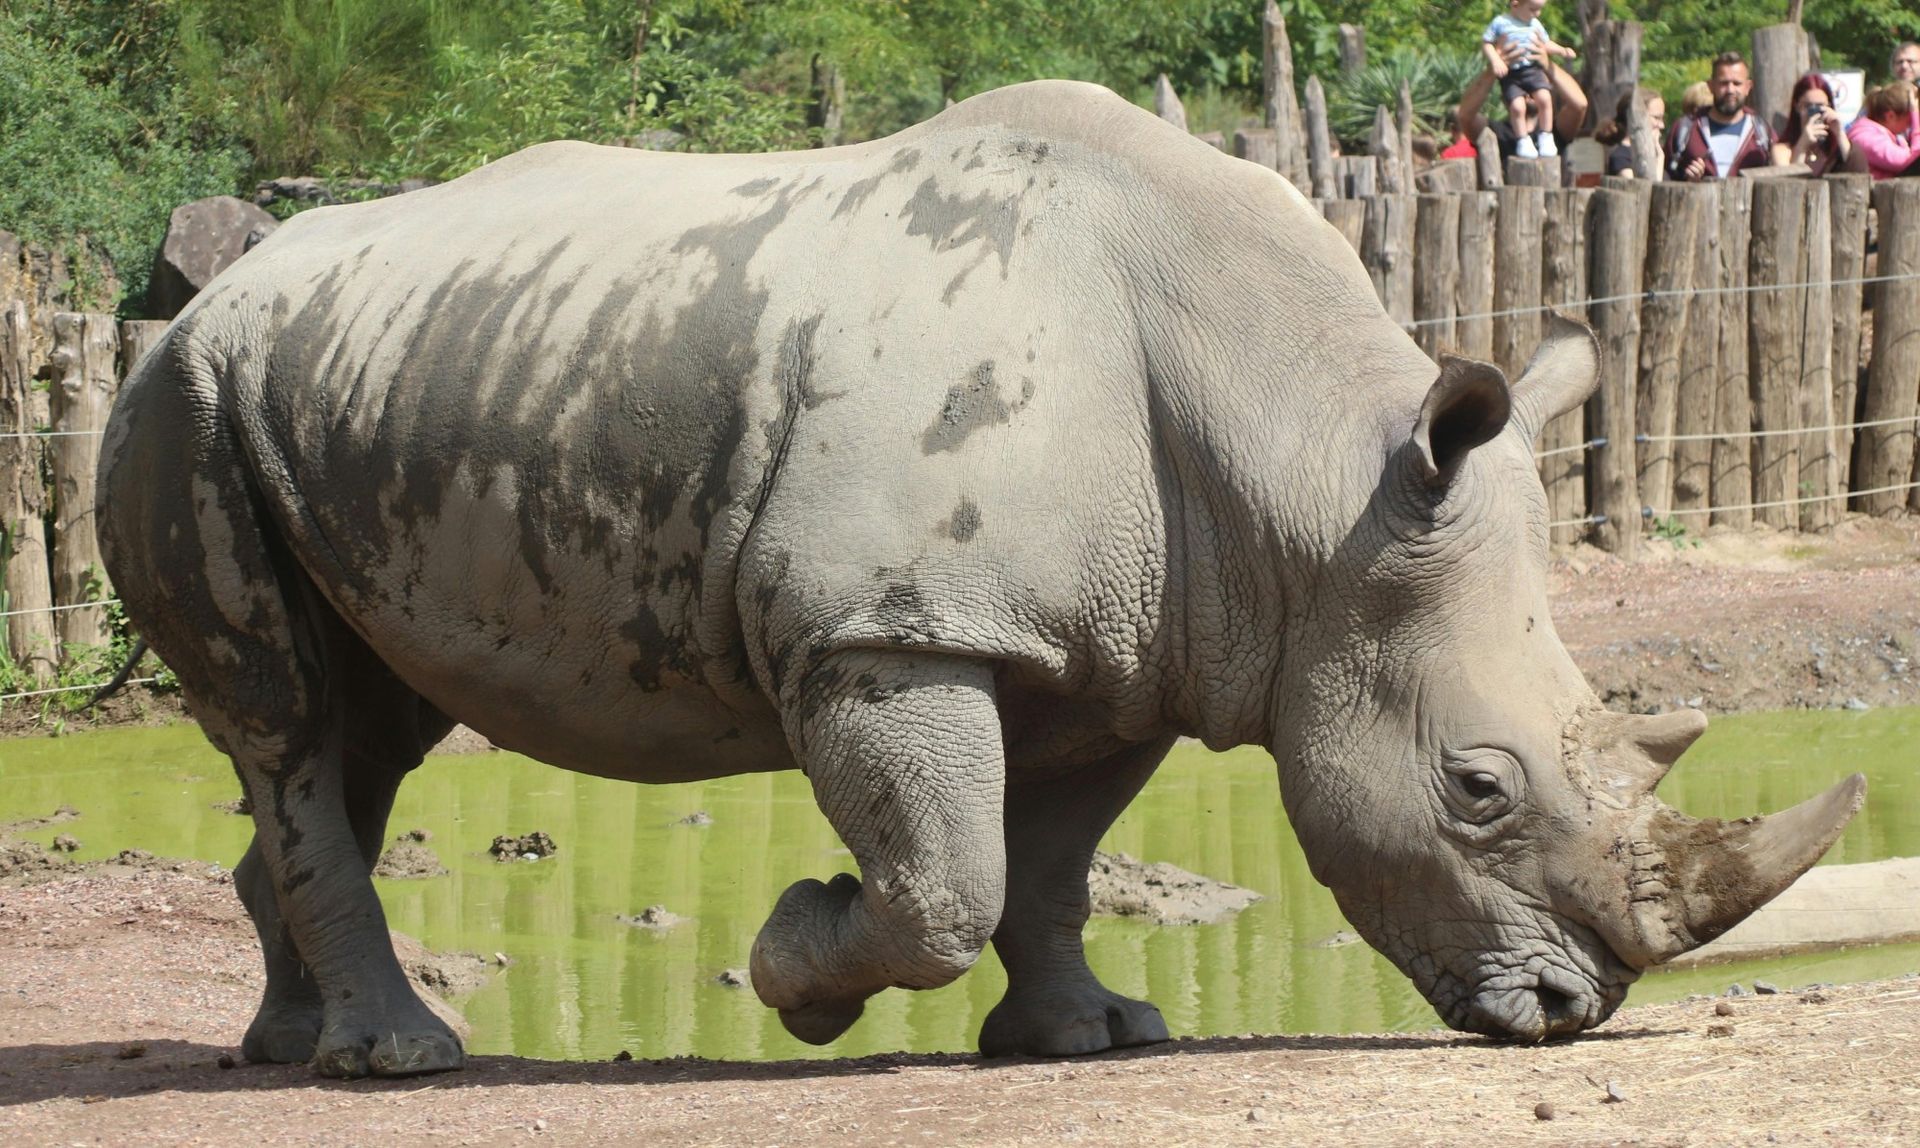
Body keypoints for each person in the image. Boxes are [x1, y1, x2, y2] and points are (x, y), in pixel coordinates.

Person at [1455, 34, 1590, 163]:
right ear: (1504, 98)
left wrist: (1546, 63)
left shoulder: (1554, 131)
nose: (1528, 89)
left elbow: (1580, 105)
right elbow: (1465, 116)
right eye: (1520, 85)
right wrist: (1494, 68)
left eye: (1533, 84)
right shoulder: (1494, 133)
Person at [1480, 0, 1579, 158]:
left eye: (1539, 10)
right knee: (1518, 107)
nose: (1537, 14)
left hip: (1532, 69)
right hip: (1512, 73)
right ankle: (1523, 139)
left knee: (1545, 98)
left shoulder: (1535, 24)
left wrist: (1562, 50)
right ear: (1515, 4)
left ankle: (1546, 136)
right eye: (1533, 9)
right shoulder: (1501, 22)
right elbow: (1487, 43)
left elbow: (1545, 44)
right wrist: (1496, 61)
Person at [1667, 52, 1775, 180]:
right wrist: (1688, 181)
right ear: (1711, 86)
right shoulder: (1686, 129)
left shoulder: (1762, 132)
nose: (1730, 90)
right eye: (1723, 83)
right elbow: (1664, 178)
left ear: (1748, 87)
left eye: (1737, 83)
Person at [1772, 73, 1856, 176]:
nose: (1814, 112)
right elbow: (1788, 186)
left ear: (1830, 106)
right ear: (1797, 107)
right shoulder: (1782, 151)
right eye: (1808, 106)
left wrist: (1840, 134)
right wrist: (1801, 147)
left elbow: (1858, 173)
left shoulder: (1837, 149)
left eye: (1820, 106)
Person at [1847, 80, 1919, 179]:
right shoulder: (1866, 137)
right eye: (1909, 121)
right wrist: (1917, 123)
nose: (1910, 126)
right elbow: (1909, 161)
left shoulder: (1895, 138)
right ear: (1890, 116)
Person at [1593, 87, 1666, 176]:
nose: (1662, 125)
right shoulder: (1621, 158)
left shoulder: (1654, 152)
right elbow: (1641, 189)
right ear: (1637, 117)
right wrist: (1660, 157)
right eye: (1656, 118)